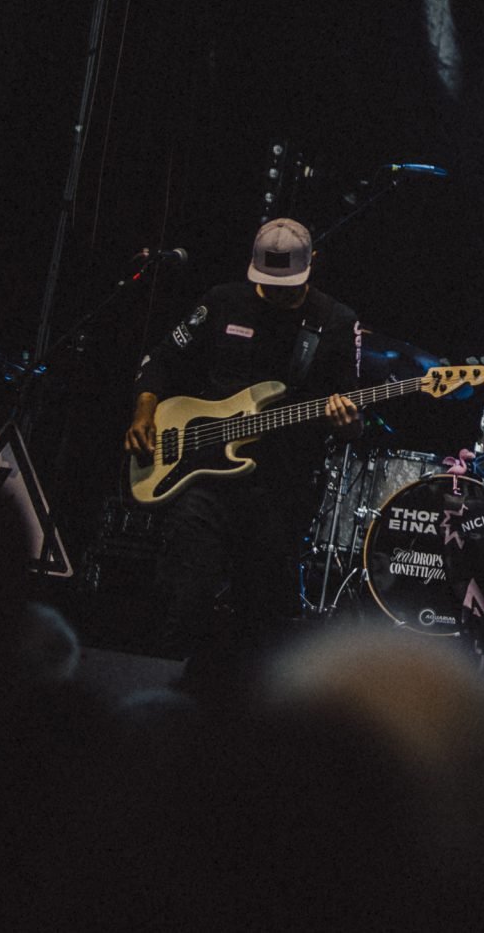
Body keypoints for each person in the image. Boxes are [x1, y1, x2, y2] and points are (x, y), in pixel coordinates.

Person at [121, 217, 363, 664]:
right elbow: (161, 358)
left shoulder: (335, 322)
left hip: (280, 489)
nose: (276, 294)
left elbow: (350, 417)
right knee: (183, 602)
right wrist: (144, 412)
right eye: (268, 283)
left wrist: (346, 422)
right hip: (204, 484)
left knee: (259, 623)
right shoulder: (223, 301)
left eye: (287, 285)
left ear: (312, 263)